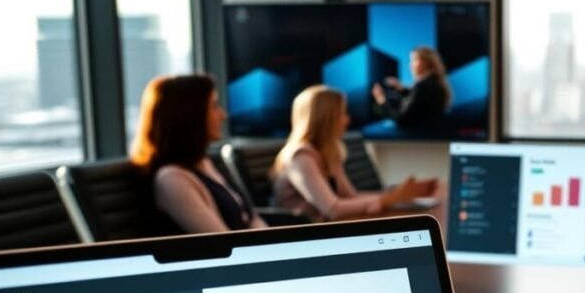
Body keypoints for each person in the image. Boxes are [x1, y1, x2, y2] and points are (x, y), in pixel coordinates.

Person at [271, 85, 437, 221]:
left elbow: (351, 196)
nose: (347, 120)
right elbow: (333, 209)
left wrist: (396, 196)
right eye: (342, 114)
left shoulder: (328, 151)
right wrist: (386, 200)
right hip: (305, 240)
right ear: (325, 119)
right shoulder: (300, 157)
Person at [130, 74, 266, 233]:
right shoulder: (172, 179)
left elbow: (251, 217)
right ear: (190, 116)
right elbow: (220, 241)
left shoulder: (205, 163)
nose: (223, 115)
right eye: (214, 106)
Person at [371, 46, 451, 129]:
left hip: (418, 138)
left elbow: (401, 119)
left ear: (426, 62)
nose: (410, 65)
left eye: (414, 60)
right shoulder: (434, 83)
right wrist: (401, 88)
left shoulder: (423, 86)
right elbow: (419, 102)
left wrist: (382, 101)